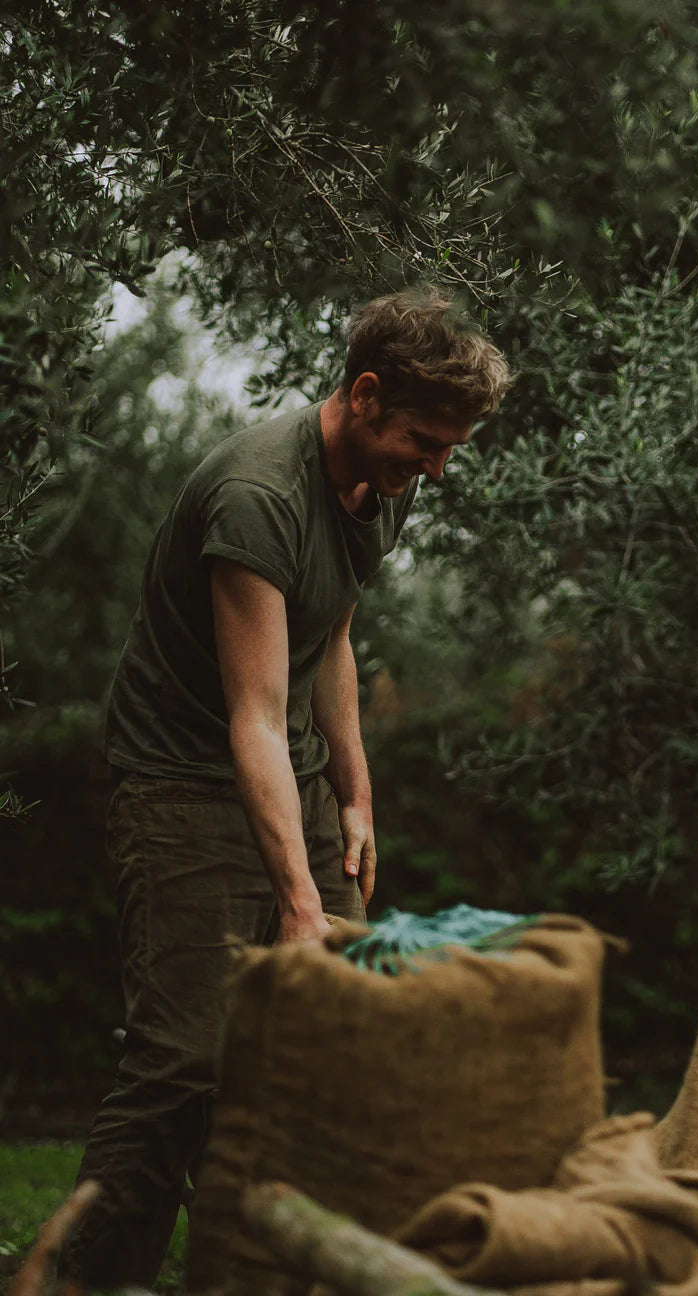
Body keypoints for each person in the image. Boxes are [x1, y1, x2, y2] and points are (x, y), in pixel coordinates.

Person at [64, 287, 511, 1290]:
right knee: (185, 1055)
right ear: (363, 395)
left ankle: (272, 1273)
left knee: (332, 1036)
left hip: (289, 774)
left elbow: (331, 636)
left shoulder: (376, 489)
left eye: (451, 449)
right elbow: (254, 716)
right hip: (181, 784)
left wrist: (354, 797)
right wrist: (297, 903)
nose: (435, 468)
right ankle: (85, 1274)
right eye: (425, 442)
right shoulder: (259, 496)